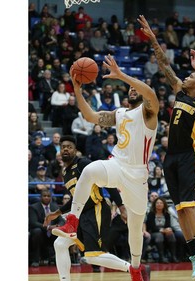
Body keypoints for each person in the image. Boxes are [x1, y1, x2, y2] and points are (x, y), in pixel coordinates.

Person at [52, 53, 159, 281]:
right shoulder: (119, 114)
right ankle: (72, 221)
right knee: (89, 170)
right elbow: (90, 116)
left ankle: (136, 268)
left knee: (135, 226)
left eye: (135, 88)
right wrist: (77, 89)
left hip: (138, 175)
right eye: (129, 88)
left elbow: (150, 93)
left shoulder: (149, 113)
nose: (132, 90)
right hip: (117, 165)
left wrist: (122, 75)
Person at [138, 15, 195, 279]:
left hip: (187, 156)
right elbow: (164, 65)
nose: (185, 76)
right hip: (170, 157)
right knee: (181, 209)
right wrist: (152, 38)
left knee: (190, 206)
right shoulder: (180, 91)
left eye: (191, 75)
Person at [43, 136, 150, 281]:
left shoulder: (83, 163)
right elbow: (76, 198)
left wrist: (120, 206)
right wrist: (56, 213)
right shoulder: (65, 173)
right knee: (60, 244)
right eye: (63, 147)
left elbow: (108, 183)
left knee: (93, 257)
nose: (66, 149)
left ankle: (135, 269)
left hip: (96, 209)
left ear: (75, 150)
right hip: (80, 215)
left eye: (69, 147)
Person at [29, 189, 65, 267]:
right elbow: (33, 222)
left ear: (51, 198)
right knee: (36, 231)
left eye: (48, 196)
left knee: (59, 231)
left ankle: (57, 259)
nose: (46, 198)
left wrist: (58, 226)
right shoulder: (33, 207)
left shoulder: (55, 206)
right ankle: (35, 260)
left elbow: (61, 220)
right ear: (40, 197)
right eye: (44, 196)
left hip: (52, 232)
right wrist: (48, 227)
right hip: (41, 232)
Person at [144, 197, 178, 263]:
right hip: (154, 233)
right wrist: (162, 230)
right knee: (159, 236)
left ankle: (173, 256)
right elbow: (151, 227)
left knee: (171, 234)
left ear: (164, 204)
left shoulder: (167, 214)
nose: (159, 204)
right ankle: (161, 257)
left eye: (161, 203)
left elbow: (168, 225)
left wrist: (168, 230)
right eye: (157, 203)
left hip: (164, 232)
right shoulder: (151, 214)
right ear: (155, 204)